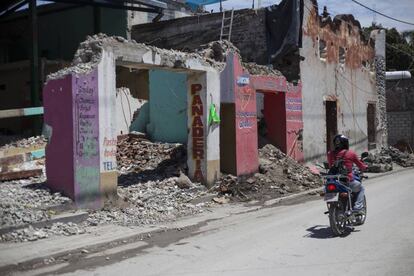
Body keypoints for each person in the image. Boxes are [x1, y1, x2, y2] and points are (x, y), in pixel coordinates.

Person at [327, 134, 368, 213]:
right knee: (361, 188)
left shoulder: (330, 154)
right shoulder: (351, 153)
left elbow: (330, 166)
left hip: (333, 180)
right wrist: (365, 167)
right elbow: (361, 165)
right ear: (346, 143)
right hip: (347, 180)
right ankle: (357, 207)